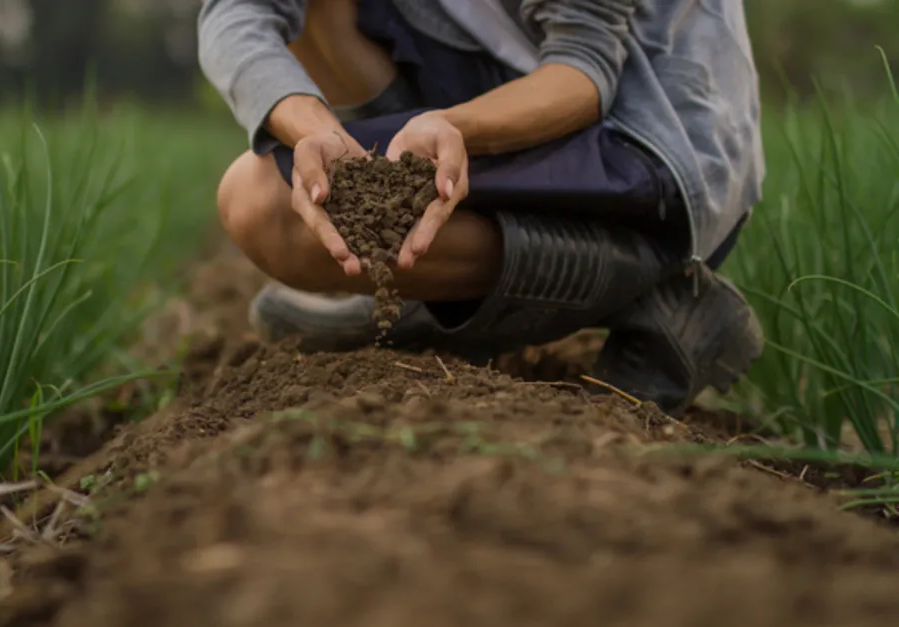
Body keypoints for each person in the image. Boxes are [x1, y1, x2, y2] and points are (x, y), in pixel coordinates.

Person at [197, 0, 765, 416]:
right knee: (322, 17)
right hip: (501, 71)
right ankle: (433, 286)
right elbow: (235, 13)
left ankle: (652, 283)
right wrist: (316, 131)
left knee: (262, 205)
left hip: (648, 132)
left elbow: (584, 65)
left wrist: (454, 128)